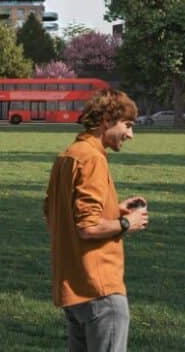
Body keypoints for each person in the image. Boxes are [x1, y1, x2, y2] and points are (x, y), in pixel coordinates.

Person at [44, 88, 150, 352]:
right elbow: (88, 227)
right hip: (100, 290)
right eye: (127, 125)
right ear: (106, 121)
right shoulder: (93, 159)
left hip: (73, 287)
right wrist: (128, 223)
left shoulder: (68, 156)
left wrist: (115, 209)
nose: (130, 134)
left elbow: (55, 212)